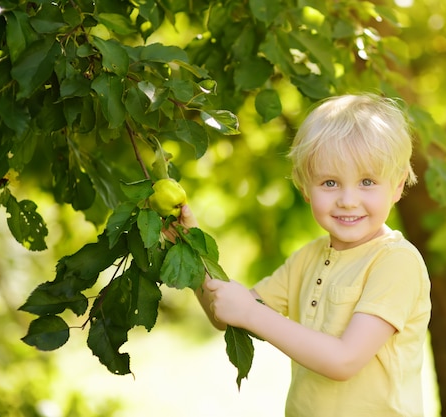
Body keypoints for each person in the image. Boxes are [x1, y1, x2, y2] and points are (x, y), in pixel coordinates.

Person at [180, 93, 431, 417]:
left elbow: (344, 360)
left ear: (397, 187)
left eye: (367, 181)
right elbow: (227, 314)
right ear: (304, 188)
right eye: (330, 182)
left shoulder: (396, 262)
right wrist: (189, 246)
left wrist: (250, 313)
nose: (348, 200)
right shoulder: (307, 259)